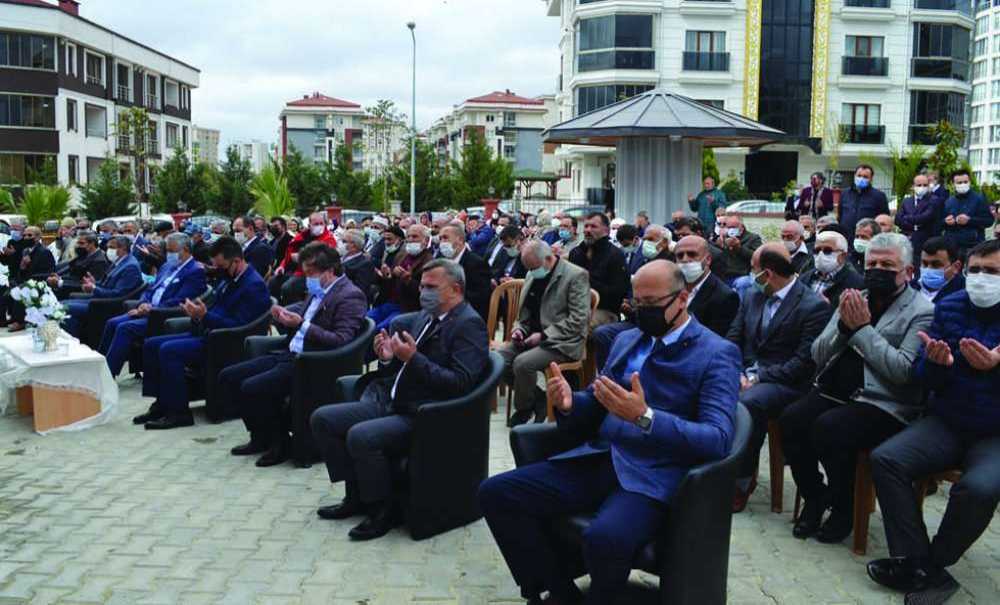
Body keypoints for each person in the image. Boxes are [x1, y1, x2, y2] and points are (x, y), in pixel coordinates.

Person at [479, 259, 741, 605]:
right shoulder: (628, 339)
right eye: (637, 303)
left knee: (605, 539)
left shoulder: (717, 354)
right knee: (496, 492)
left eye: (652, 304)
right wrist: (572, 402)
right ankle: (556, 591)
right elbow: (600, 400)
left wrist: (645, 417)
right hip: (601, 456)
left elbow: (718, 439)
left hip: (654, 474)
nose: (642, 311)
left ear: (683, 298)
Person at [310, 259, 490, 541]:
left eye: (431, 287)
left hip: (424, 412)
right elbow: (403, 367)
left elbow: (459, 383)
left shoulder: (469, 324)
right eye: (422, 285)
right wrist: (388, 358)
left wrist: (413, 358)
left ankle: (383, 510)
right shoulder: (424, 317)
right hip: (390, 398)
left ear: (455, 289)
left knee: (361, 436)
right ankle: (356, 494)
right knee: (323, 419)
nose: (423, 292)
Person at [867, 238, 1000, 604]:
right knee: (887, 459)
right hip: (949, 421)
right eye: (975, 271)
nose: (981, 278)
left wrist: (995, 366)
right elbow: (925, 375)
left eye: (992, 272)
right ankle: (917, 561)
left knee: (978, 489)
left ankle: (932, 563)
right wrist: (937, 365)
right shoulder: (952, 305)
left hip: (995, 434)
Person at [779, 233, 934, 543]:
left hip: (884, 401)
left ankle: (844, 507)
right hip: (835, 389)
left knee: (830, 428)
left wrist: (862, 330)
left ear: (908, 271)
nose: (878, 269)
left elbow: (903, 371)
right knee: (791, 420)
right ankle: (815, 496)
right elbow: (818, 354)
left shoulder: (921, 311)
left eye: (888, 264)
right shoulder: (855, 296)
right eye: (872, 262)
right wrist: (843, 327)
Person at [221, 243, 367, 467]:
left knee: (253, 387)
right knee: (229, 377)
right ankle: (260, 436)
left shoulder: (350, 295)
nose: (306, 278)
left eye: (310, 273)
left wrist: (303, 325)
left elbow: (342, 340)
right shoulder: (320, 289)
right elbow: (306, 311)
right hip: (289, 352)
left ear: (329, 271)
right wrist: (284, 313)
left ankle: (279, 444)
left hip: (312, 361)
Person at [727, 243, 831, 511]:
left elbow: (803, 363)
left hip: (787, 384)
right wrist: (737, 372)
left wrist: (758, 377)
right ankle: (709, 468)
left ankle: (740, 481)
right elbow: (732, 340)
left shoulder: (812, 306)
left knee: (748, 403)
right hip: (748, 374)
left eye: (754, 271)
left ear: (769, 273)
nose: (751, 277)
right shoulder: (752, 295)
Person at [135, 236, 271, 430]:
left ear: (237, 261)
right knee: (151, 344)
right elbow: (215, 307)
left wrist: (205, 316)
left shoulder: (253, 285)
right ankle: (161, 403)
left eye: (221, 265)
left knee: (168, 350)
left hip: (224, 341)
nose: (218, 270)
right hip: (206, 331)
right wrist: (198, 313)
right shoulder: (229, 278)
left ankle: (179, 412)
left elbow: (238, 325)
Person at [498, 240, 590, 427]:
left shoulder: (575, 275)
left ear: (549, 259)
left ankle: (523, 409)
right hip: (531, 336)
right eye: (529, 268)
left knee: (523, 364)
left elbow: (579, 319)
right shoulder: (533, 273)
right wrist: (519, 329)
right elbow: (524, 313)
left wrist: (544, 335)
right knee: (497, 360)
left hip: (562, 340)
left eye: (534, 267)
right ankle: (538, 401)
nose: (531, 272)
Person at [98, 232, 208, 378]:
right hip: (147, 309)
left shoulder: (195, 271)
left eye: (172, 251)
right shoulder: (167, 266)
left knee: (124, 328)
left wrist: (152, 309)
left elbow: (181, 299)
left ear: (186, 250)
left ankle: (107, 374)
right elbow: (150, 289)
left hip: (162, 315)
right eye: (167, 251)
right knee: (112, 323)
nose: (169, 254)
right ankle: (99, 366)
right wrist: (143, 303)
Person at [63, 236, 143, 339]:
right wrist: (94, 283)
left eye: (112, 247)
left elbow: (117, 294)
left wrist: (94, 288)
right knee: (63, 304)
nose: (108, 250)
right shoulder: (119, 262)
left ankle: (72, 344)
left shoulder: (130, 266)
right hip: (100, 299)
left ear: (122, 248)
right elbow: (106, 283)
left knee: (64, 308)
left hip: (108, 305)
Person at [367, 224, 433, 333]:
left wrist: (408, 280)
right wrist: (386, 276)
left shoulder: (429, 261)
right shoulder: (401, 255)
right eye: (409, 237)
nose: (411, 240)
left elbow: (425, 293)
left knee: (378, 330)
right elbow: (390, 281)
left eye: (415, 237)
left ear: (425, 240)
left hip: (407, 307)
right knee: (363, 321)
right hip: (388, 303)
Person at [568, 213, 628, 329]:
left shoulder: (615, 255)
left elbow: (617, 293)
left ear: (606, 230)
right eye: (586, 226)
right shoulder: (576, 253)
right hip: (575, 308)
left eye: (593, 226)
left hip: (604, 310)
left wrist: (586, 279)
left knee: (576, 327)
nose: (588, 230)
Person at [270, 212, 337, 304]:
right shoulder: (302, 236)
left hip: (313, 274)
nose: (319, 226)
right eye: (316, 224)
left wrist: (302, 257)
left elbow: (323, 259)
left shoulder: (328, 239)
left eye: (321, 223)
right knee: (273, 281)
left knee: (288, 287)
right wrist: (282, 266)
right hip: (296, 270)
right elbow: (289, 253)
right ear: (309, 225)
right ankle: (276, 308)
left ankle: (296, 312)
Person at [2, 226, 56, 331]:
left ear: (37, 237)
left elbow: (49, 272)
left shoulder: (44, 252)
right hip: (26, 279)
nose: (26, 237)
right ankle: (8, 318)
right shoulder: (25, 251)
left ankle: (20, 321)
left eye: (29, 235)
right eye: (25, 235)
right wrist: (22, 266)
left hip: (40, 281)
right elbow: (20, 271)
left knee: (23, 289)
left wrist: (28, 272)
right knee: (5, 289)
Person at [436, 224, 492, 320]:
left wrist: (449, 295)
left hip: (466, 317)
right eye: (440, 239)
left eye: (445, 238)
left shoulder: (477, 263)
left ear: (460, 240)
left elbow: (481, 297)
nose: (442, 242)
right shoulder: (440, 260)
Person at [800, 230, 866, 307]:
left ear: (843, 256)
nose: (820, 254)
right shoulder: (804, 278)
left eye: (827, 251)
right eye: (817, 251)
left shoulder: (856, 284)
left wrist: (829, 308)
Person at [895, 173, 942, 277]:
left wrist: (907, 218)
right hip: (907, 241)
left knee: (920, 271)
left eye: (925, 185)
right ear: (913, 186)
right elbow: (897, 220)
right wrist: (914, 224)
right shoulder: (907, 201)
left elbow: (925, 218)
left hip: (924, 242)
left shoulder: (934, 200)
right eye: (919, 185)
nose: (922, 188)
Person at [942, 169, 992, 256]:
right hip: (952, 246)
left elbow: (989, 221)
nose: (963, 185)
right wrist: (946, 221)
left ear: (969, 182)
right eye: (959, 183)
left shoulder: (979, 199)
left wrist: (969, 220)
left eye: (965, 182)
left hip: (973, 246)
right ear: (953, 184)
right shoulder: (949, 201)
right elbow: (940, 222)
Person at [48, 231, 111, 298]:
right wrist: (59, 278)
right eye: (77, 243)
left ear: (92, 244)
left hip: (81, 294)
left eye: (81, 243)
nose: (78, 246)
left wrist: (60, 282)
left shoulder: (99, 261)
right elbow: (73, 273)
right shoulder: (84, 255)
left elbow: (88, 285)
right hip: (70, 287)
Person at [838, 164, 889, 244]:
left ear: (871, 179)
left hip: (867, 239)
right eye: (859, 175)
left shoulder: (879, 196)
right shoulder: (845, 193)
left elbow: (884, 218)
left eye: (865, 177)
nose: (861, 178)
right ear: (854, 176)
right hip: (846, 237)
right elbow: (840, 215)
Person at [913, 236, 965, 305]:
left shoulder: (965, 292)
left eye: (936, 265)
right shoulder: (910, 287)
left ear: (956, 266)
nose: (929, 269)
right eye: (925, 264)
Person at [719, 214, 763, 287]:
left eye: (734, 227)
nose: (731, 230)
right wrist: (720, 243)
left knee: (743, 283)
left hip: (743, 274)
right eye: (729, 227)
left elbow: (757, 257)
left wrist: (739, 248)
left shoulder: (753, 238)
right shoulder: (723, 238)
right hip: (725, 275)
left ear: (742, 227)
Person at [338, 229, 376, 304]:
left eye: (344, 242)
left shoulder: (364, 263)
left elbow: (360, 289)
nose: (341, 244)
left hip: (350, 302)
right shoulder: (341, 258)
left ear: (354, 245)